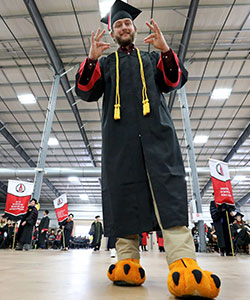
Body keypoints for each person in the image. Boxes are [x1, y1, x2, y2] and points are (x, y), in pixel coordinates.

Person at [75, 0, 220, 297]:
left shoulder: (152, 58)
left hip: (158, 135)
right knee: (122, 193)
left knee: (168, 191)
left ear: (134, 28)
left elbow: (174, 80)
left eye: (127, 23)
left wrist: (166, 50)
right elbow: (85, 91)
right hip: (119, 141)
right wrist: (91, 59)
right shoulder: (105, 63)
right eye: (118, 24)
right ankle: (127, 261)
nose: (124, 27)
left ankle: (183, 262)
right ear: (112, 32)